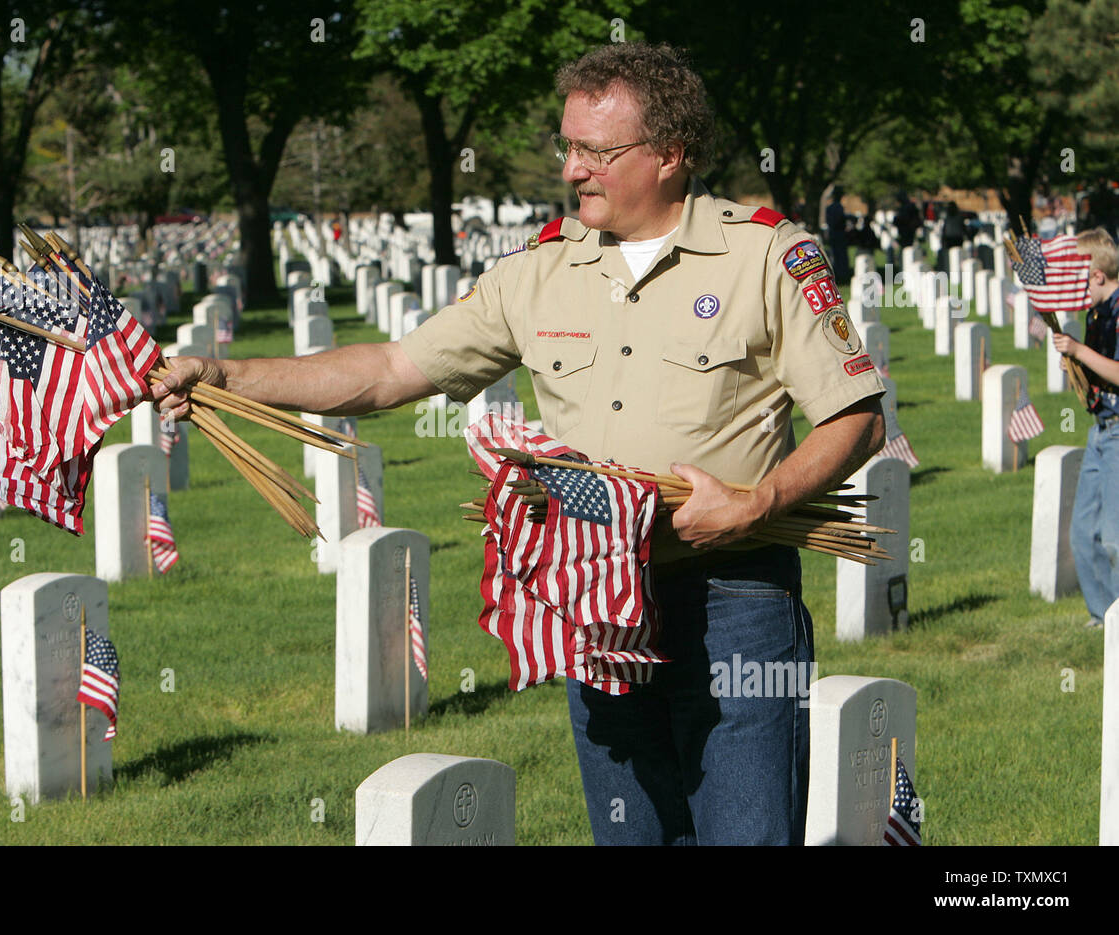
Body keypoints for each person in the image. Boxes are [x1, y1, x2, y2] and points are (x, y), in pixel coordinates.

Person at [154, 42, 885, 845]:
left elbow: (856, 415)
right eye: (568, 146)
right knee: (631, 836)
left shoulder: (767, 255)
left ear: (672, 155)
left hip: (734, 596)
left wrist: (759, 502)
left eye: (596, 151)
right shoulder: (537, 272)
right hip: (594, 600)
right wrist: (223, 373)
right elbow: (393, 368)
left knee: (748, 836)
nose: (572, 169)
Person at [1050, 229, 1119, 629]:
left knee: (1113, 537)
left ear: (1096, 275)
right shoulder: (1097, 313)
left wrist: (1080, 351)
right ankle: (1103, 617)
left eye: (1078, 277)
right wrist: (1077, 364)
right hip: (1100, 429)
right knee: (1083, 533)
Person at [824, 186, 850, 284]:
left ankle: (839, 274)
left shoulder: (830, 208)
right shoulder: (838, 207)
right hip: (838, 234)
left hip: (834, 234)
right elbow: (837, 222)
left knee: (836, 255)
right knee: (839, 256)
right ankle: (841, 275)